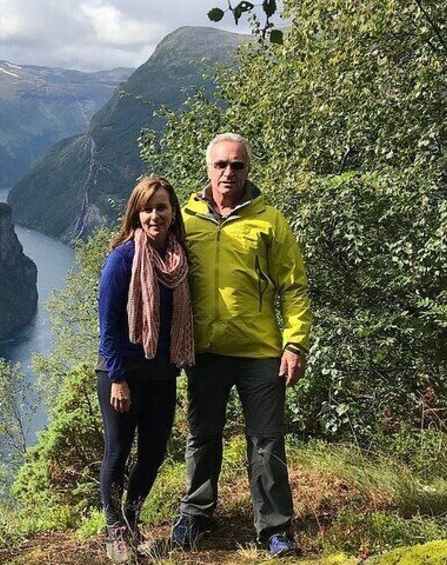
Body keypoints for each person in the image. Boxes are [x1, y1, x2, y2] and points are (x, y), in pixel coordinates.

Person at [171, 133, 312, 557]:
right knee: (202, 435)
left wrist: (296, 344)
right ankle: (196, 514)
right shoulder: (186, 219)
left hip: (259, 351)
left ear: (248, 169)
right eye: (221, 165)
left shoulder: (270, 220)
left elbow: (295, 287)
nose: (228, 173)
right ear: (208, 168)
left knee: (266, 440)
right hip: (205, 351)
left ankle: (274, 528)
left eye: (237, 165)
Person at [96, 176, 195, 563]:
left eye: (162, 207)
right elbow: (108, 327)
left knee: (153, 453)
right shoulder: (122, 258)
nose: (155, 215)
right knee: (118, 452)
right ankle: (115, 530)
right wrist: (118, 378)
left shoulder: (179, 260)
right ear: (137, 213)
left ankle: (132, 517)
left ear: (173, 212)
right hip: (121, 373)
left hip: (161, 373)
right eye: (147, 208)